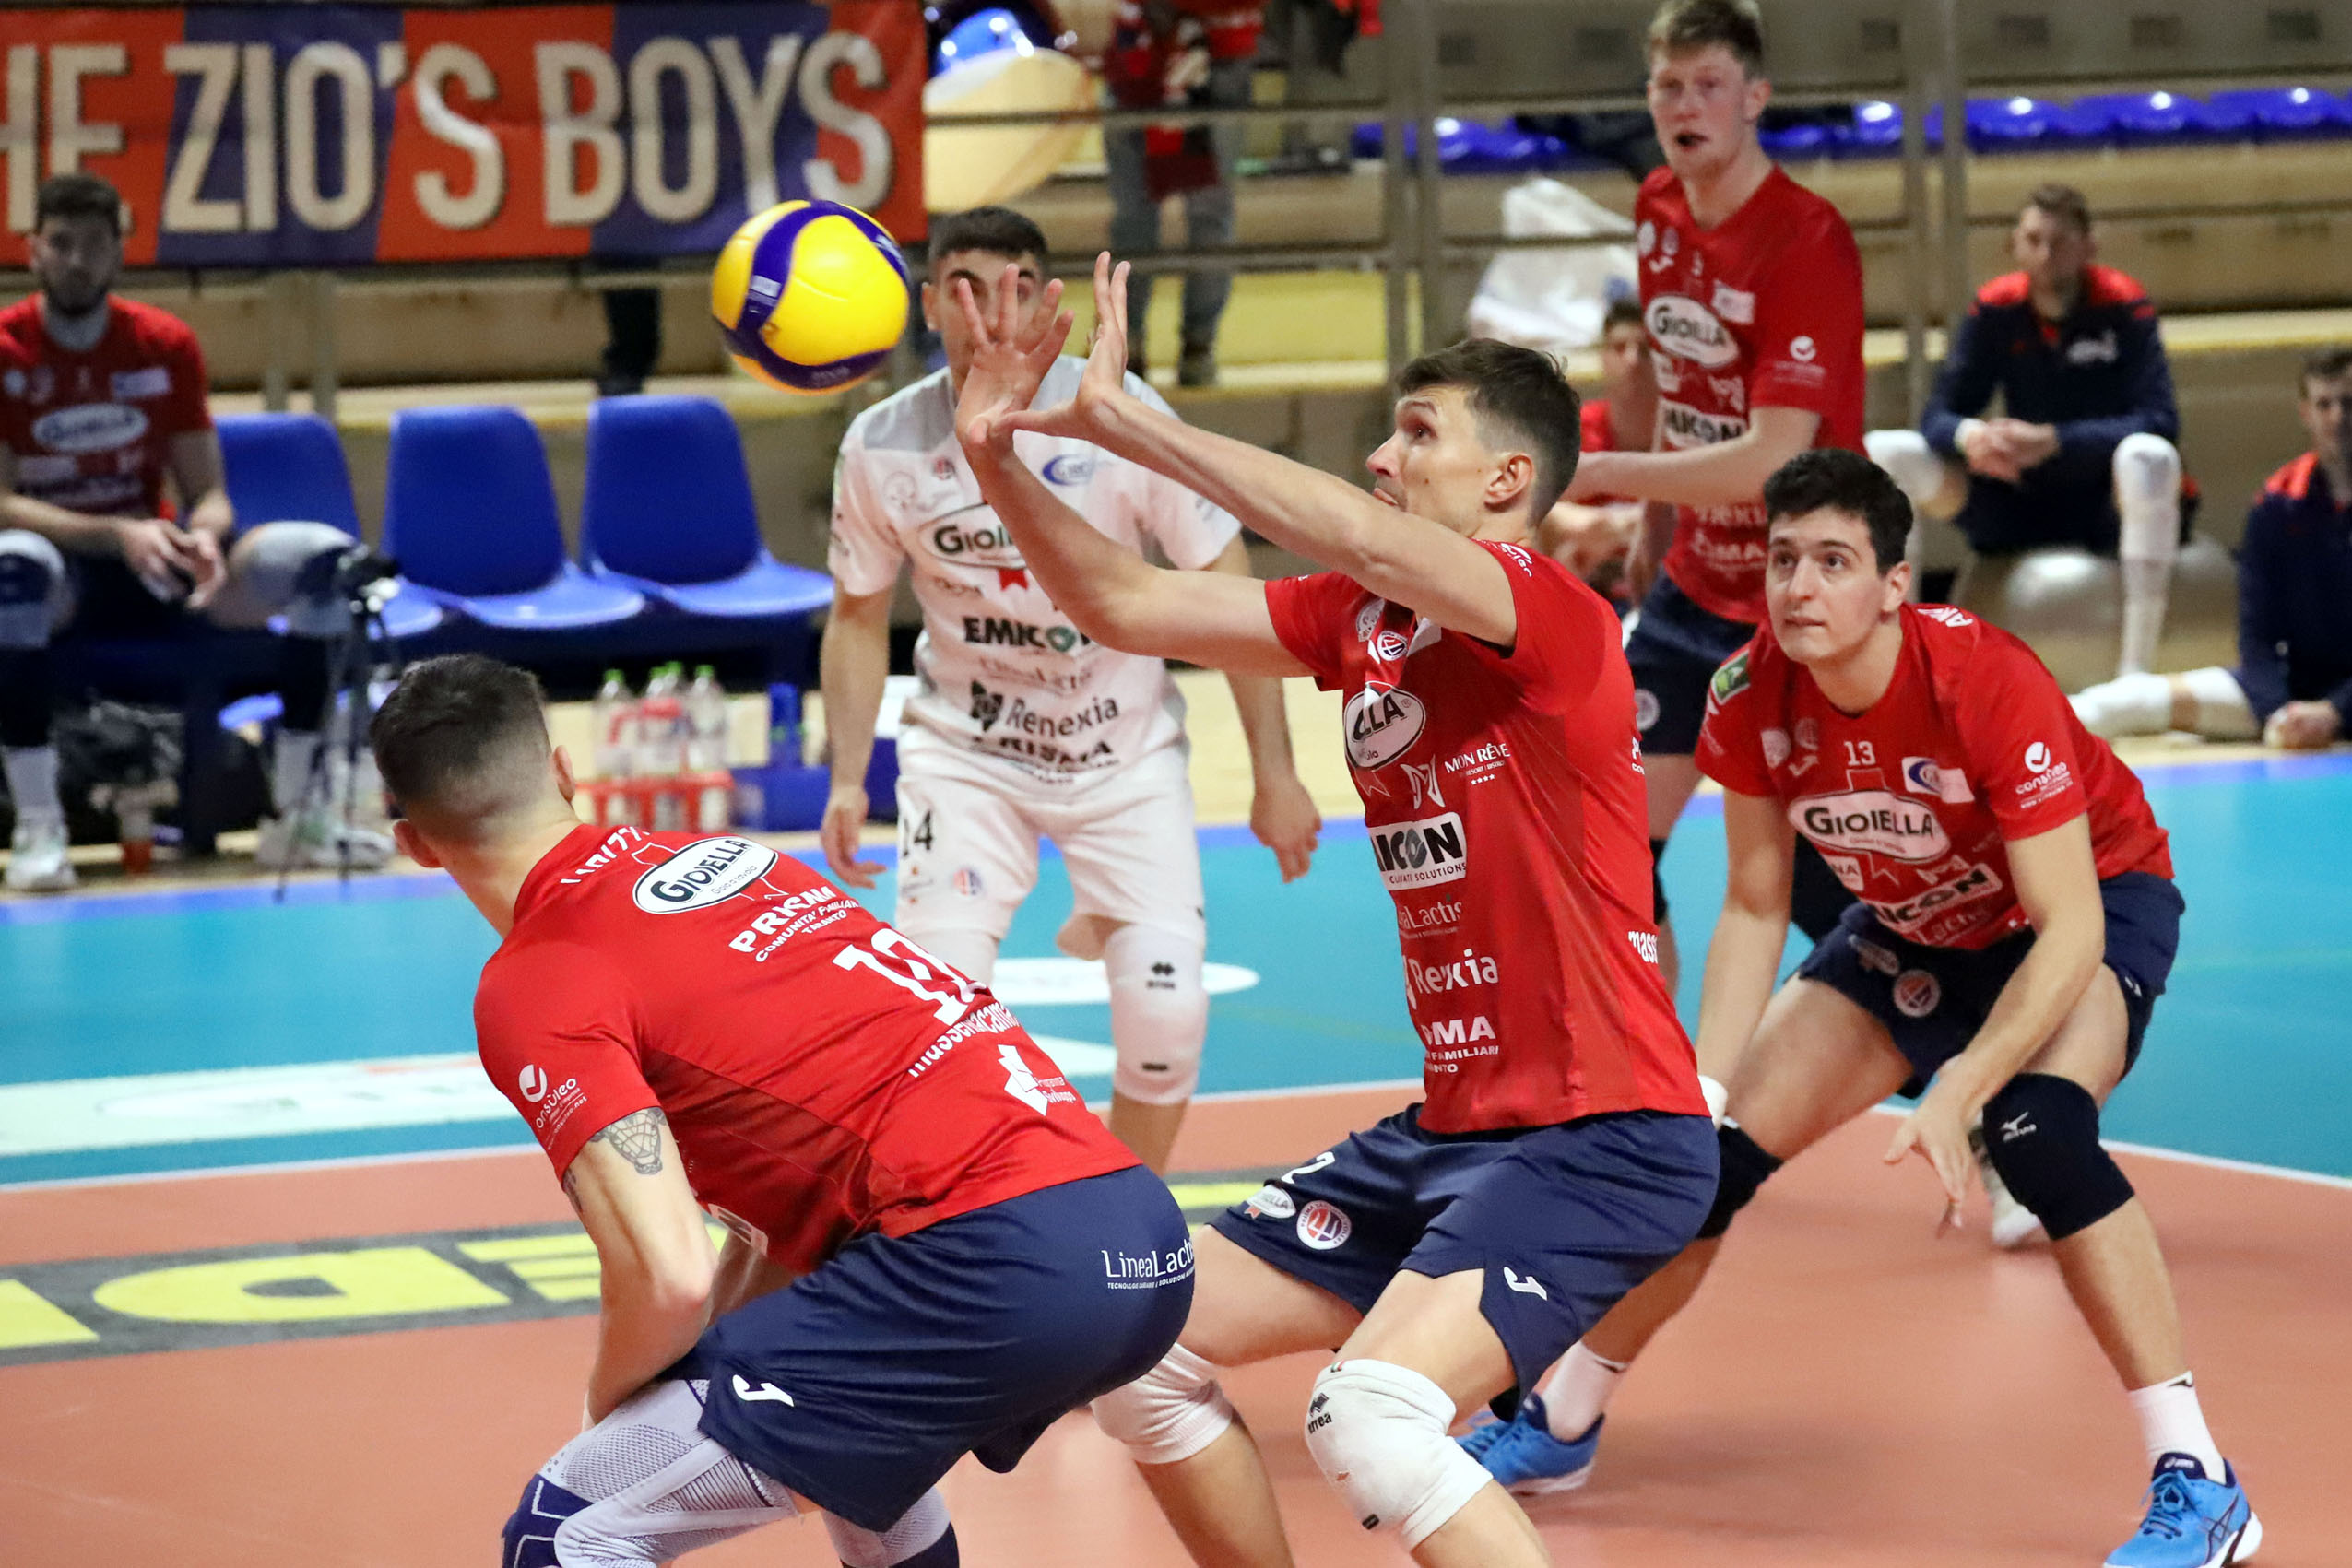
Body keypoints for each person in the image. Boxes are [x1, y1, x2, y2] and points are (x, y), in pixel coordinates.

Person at [950, 251, 1716, 1567]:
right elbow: (1123, 601)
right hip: (1454, 1129)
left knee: (1368, 1415)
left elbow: (1359, 533)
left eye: (1416, 433)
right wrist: (995, 457)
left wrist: (1124, 420)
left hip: (1604, 1134)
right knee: (1130, 1345)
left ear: (1505, 481)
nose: (1380, 456)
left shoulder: (1547, 609)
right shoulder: (1368, 621)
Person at [1471, 450, 2259, 1568]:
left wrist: (1964, 1089)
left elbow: (2068, 924)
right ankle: (1561, 1421)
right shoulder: (1748, 692)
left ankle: (2201, 1480)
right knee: (1706, 1163)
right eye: (1784, 560)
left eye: (1833, 562)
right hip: (1910, 927)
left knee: (2038, 1132)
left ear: (1894, 584)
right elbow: (1754, 903)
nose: (1799, 587)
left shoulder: (1982, 677)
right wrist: (1701, 1086)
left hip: (2080, 908)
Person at [371, 652, 1189, 1568]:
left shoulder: (536, 983)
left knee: (567, 1529)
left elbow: (668, 1274)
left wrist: (611, 1411)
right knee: (852, 1458)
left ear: (415, 842)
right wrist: (706, 1369)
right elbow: (783, 1230)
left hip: (988, 1264)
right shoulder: (737, 864)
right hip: (1137, 1234)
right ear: (566, 771)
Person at [820, 205, 1319, 1173]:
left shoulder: (1117, 416)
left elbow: (1224, 580)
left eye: (1011, 289)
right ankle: (968, 1222)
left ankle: (1125, 1221)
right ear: (929, 305)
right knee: (935, 1020)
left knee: (1167, 1018)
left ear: (1045, 303)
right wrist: (846, 776)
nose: (987, 313)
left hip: (1121, 758)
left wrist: (1275, 772)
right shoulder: (881, 443)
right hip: (967, 759)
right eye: (962, 289)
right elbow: (855, 615)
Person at [1555, 0, 1867, 992]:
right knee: (1605, 841)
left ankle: (1948, 1041)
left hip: (1796, 602)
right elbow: (1681, 383)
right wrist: (1655, 523)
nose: (1686, 106)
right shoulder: (1657, 204)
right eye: (1668, 87)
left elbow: (1772, 460)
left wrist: (1604, 473)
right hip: (1692, 590)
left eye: (1709, 86)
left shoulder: (1805, 240)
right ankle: (1650, 1066)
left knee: (1816, 884)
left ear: (1755, 98)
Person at [0, 171, 390, 890]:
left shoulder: (163, 343)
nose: (78, 260)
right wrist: (115, 532)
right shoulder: (6, 348)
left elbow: (207, 492)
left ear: (121, 249)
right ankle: (39, 827)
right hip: (63, 574)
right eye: (61, 243)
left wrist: (205, 537)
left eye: (95, 243)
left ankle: (297, 814)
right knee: (12, 568)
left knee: (319, 563)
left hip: (158, 564)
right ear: (33, 251)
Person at [1869, 184, 2188, 680]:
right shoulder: (1996, 309)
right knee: (1887, 451)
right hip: (2021, 501)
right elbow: (1937, 416)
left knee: (2149, 455)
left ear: (2089, 246)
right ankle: (1897, 655)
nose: (2046, 256)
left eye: (2060, 242)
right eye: (2034, 241)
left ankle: (2135, 674)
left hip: (2104, 503)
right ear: (2013, 246)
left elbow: (2161, 421)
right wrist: (1973, 438)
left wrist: (2055, 440)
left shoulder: (2124, 306)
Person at [2074, 347, 2352, 751]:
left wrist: (2336, 711)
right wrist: (2277, 711)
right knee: (2128, 702)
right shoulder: (2277, 504)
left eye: (2349, 403)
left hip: (2341, 700)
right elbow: (2257, 632)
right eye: (2325, 405)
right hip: (2292, 690)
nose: (2338, 419)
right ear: (2305, 413)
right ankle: (2010, 743)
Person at [1102, 0, 1268, 386]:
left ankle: (1196, 345)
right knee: (1134, 217)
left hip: (1218, 54)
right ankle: (1124, 348)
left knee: (1205, 215)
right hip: (1139, 50)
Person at [1534, 297, 1653, 599]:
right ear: (1602, 357)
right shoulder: (1572, 431)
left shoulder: (1685, 436)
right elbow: (1532, 503)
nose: (1632, 360)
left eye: (1646, 350)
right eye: (1619, 348)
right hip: (1586, 587)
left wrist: (1613, 526)